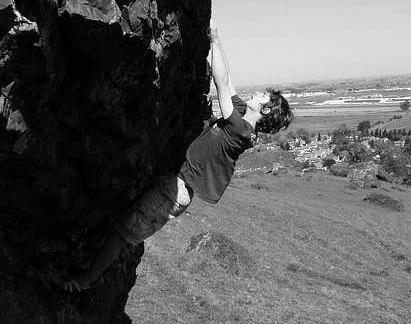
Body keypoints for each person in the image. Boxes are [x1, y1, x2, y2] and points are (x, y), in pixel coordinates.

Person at [64, 21, 293, 291]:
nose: (257, 93)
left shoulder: (240, 129)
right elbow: (228, 79)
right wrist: (215, 42)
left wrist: (215, 36)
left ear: (265, 110)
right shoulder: (242, 115)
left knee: (121, 234)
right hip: (175, 185)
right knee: (123, 227)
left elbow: (219, 82)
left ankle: (84, 281)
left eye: (263, 95)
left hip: (174, 191)